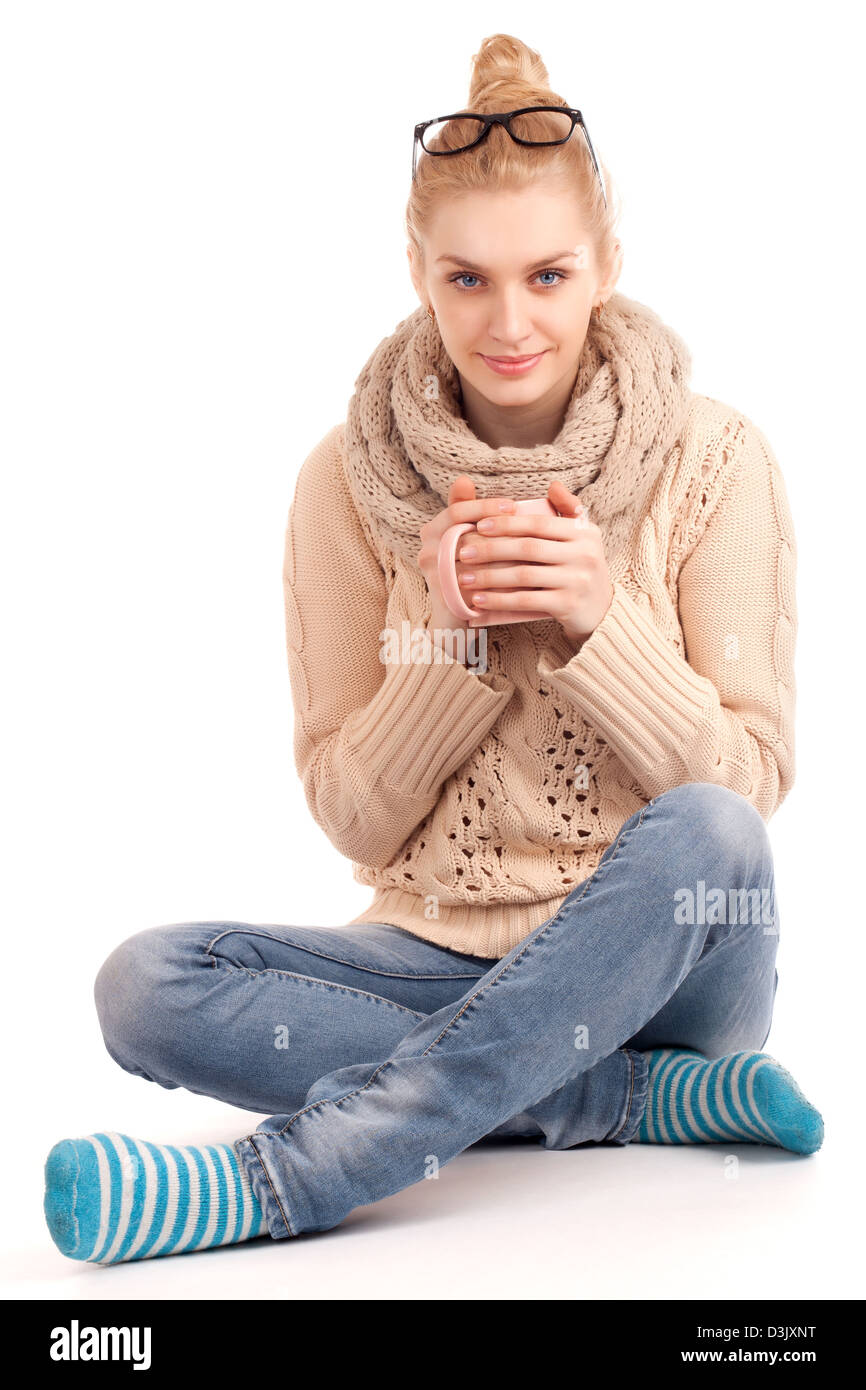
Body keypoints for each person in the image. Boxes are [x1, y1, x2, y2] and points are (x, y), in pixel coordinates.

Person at [44, 32, 823, 1265]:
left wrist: (596, 624)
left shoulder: (715, 457)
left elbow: (745, 790)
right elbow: (352, 822)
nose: (509, 322)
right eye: (466, 280)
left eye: (548, 276)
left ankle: (279, 1182)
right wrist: (443, 649)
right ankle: (613, 1101)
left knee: (709, 834)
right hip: (436, 957)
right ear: (416, 272)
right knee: (143, 985)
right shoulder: (340, 486)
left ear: (605, 266)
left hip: (675, 971)